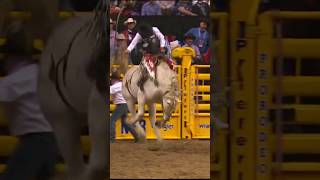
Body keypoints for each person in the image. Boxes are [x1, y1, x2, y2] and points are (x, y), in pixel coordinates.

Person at [0, 26, 58, 180]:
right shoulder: (44, 74)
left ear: (10, 57)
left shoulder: (12, 81)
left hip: (34, 140)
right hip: (52, 139)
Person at [109, 69, 139, 143]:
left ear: (113, 79)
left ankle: (111, 140)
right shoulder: (121, 84)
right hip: (125, 105)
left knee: (111, 121)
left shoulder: (115, 86)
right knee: (125, 122)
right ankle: (137, 137)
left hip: (122, 105)